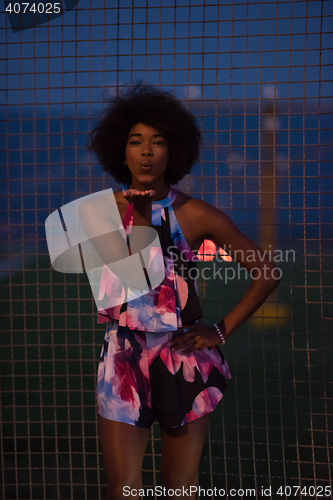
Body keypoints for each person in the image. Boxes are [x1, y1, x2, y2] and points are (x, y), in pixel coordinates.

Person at [84, 84, 281, 500]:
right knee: (122, 492)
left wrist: (220, 331)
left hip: (186, 359)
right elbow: (134, 278)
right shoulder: (100, 213)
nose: (147, 151)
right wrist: (137, 214)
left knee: (180, 492)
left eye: (158, 142)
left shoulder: (196, 214)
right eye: (136, 141)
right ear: (121, 151)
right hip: (124, 360)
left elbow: (267, 272)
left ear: (173, 152)